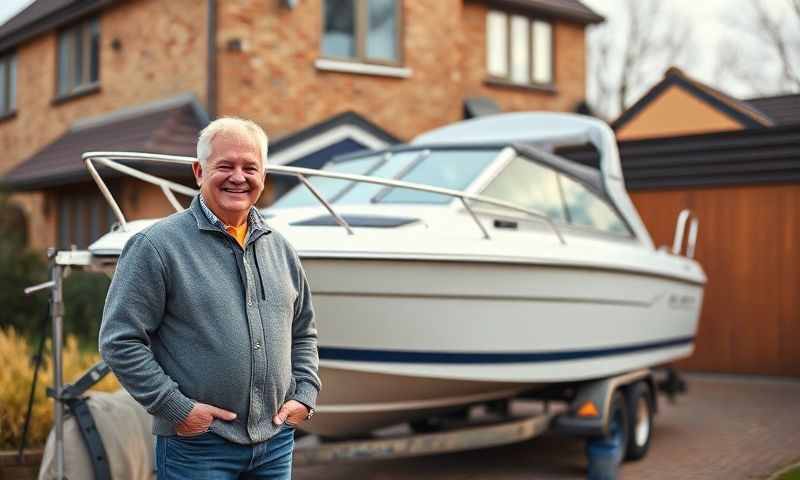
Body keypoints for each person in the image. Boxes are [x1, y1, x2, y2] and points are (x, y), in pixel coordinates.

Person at [99, 117, 320, 479]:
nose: (239, 177)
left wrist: (306, 394)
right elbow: (119, 341)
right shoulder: (156, 247)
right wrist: (176, 408)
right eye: (225, 166)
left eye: (250, 167)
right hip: (197, 446)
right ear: (199, 171)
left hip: (275, 443)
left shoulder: (281, 249)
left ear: (263, 176)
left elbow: (304, 331)